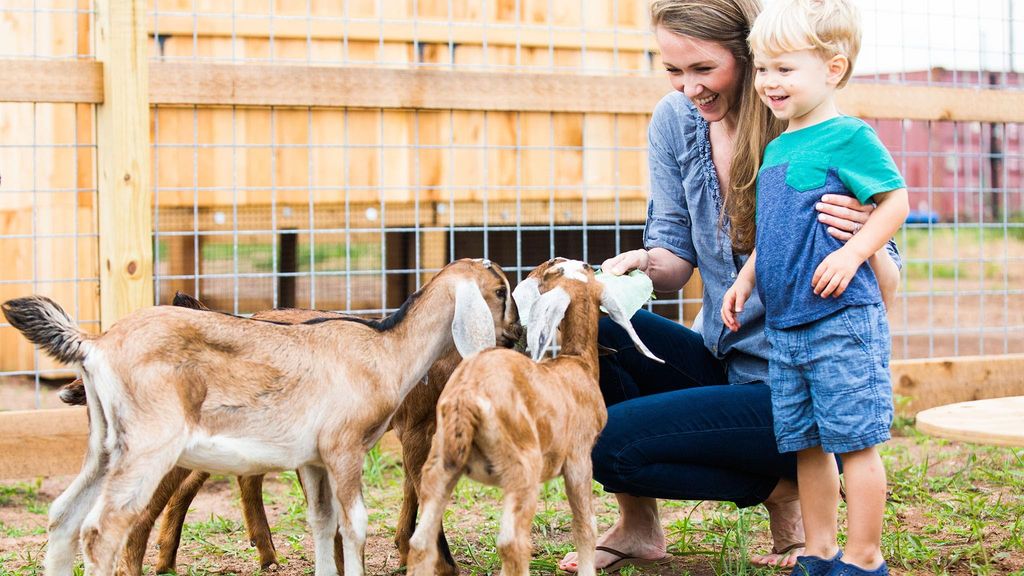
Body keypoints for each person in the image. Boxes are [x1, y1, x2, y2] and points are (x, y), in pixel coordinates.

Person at [556, 0, 902, 573]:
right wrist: (638, 264)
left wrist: (865, 240)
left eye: (703, 68)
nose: (688, 87)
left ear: (747, 54)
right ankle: (639, 526)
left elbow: (884, 285)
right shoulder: (677, 120)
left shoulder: (808, 124)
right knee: (590, 317)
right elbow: (676, 259)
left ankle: (787, 493)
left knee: (611, 447)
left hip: (799, 373)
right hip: (724, 356)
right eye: (673, 69)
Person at [720, 1, 908, 575]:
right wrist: (745, 278)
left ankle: (864, 556)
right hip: (788, 327)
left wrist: (853, 252)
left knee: (855, 443)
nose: (768, 82)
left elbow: (895, 202)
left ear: (833, 68)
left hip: (841, 320)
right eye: (762, 69)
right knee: (807, 444)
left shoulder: (849, 136)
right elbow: (777, 231)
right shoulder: (777, 146)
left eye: (785, 69)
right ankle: (819, 550)